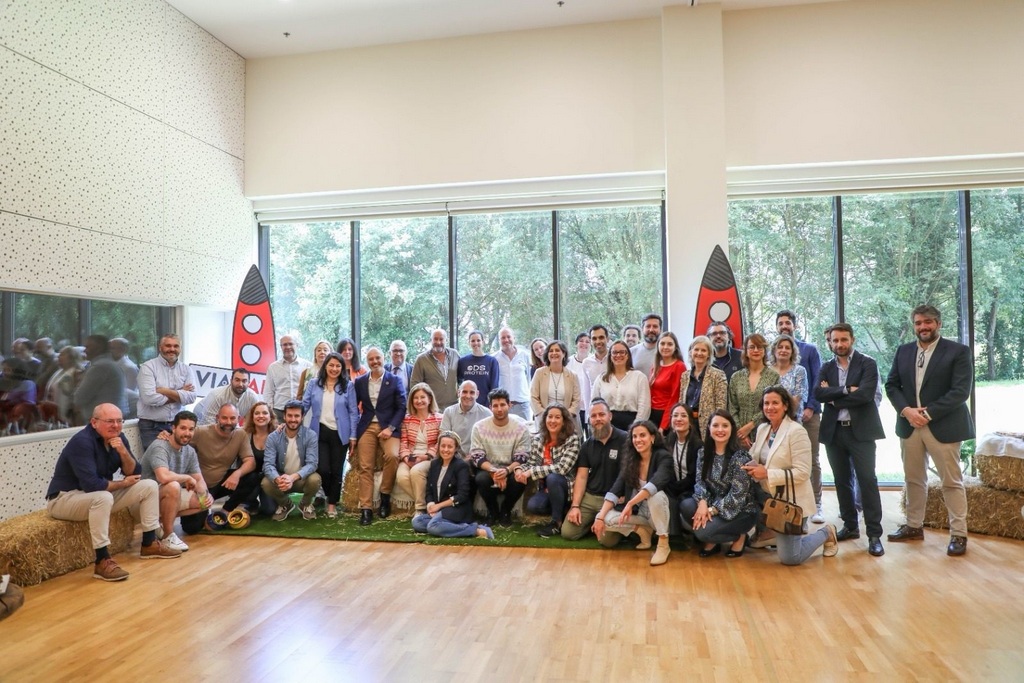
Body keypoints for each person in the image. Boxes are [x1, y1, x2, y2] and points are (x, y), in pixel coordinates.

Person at [45, 403, 179, 582]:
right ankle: (102, 560)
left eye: (119, 421)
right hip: (64, 499)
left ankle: (149, 543)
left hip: (94, 496)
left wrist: (123, 452)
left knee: (149, 485)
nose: (116, 426)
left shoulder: (119, 438)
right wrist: (123, 483)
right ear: (94, 422)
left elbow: (135, 472)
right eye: (110, 421)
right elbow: (92, 485)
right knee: (103, 497)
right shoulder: (82, 442)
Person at [884, 304, 973, 556]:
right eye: (918, 323)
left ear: (938, 324)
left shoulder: (958, 351)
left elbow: (960, 391)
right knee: (913, 479)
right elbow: (891, 385)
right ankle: (914, 526)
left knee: (951, 482)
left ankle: (959, 534)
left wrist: (927, 413)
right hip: (909, 425)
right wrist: (907, 411)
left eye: (928, 322)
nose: (923, 327)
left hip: (943, 426)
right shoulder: (903, 351)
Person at [742, 386, 838, 565]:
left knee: (791, 558)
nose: (770, 407)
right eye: (766, 403)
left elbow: (803, 472)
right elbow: (756, 456)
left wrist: (767, 473)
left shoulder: (796, 431)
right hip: (767, 496)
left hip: (790, 502)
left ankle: (827, 532)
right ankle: (767, 533)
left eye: (775, 403)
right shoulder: (763, 428)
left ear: (786, 406)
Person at [815, 323, 885, 557]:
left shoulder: (867, 363)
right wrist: (846, 390)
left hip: (861, 431)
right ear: (830, 342)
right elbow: (818, 393)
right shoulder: (826, 367)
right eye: (835, 340)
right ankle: (851, 526)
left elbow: (866, 395)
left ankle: (874, 535)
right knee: (841, 480)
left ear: (852, 340)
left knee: (867, 480)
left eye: (843, 339)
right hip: (834, 432)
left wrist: (834, 397)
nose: (839, 344)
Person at [592, 420, 673, 566]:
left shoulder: (663, 457)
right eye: (634, 436)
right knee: (606, 519)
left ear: (652, 437)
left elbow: (654, 484)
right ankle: (643, 531)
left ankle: (663, 544)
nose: (638, 440)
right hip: (640, 513)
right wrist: (600, 516)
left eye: (642, 435)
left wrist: (630, 503)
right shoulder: (631, 459)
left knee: (655, 496)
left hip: (660, 513)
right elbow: (615, 490)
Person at [681, 410, 759, 557]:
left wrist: (710, 511)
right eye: (715, 425)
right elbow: (700, 481)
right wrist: (702, 503)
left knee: (702, 533)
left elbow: (737, 496)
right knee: (686, 506)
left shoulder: (740, 456)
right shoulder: (703, 452)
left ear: (732, 429)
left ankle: (740, 536)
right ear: (709, 428)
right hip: (713, 501)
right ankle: (715, 538)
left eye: (725, 425)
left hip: (741, 510)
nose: (720, 430)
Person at [776, 310, 825, 525]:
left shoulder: (809, 350)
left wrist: (811, 407)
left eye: (788, 323)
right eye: (780, 323)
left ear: (794, 326)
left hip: (807, 415)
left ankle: (817, 504)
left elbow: (817, 380)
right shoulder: (773, 354)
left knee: (811, 460)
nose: (784, 326)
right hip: (779, 421)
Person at [141, 410, 209, 552]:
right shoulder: (160, 446)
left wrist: (206, 495)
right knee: (173, 486)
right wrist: (186, 477)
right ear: (173, 428)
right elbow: (163, 477)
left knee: (203, 501)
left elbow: (199, 479)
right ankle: (168, 535)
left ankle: (158, 524)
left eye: (191, 429)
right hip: (145, 499)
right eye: (183, 428)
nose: (187, 433)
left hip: (166, 497)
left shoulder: (189, 451)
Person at [301, 352, 358, 519]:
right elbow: (304, 405)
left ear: (342, 368)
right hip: (319, 432)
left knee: (336, 470)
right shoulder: (314, 384)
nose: (334, 369)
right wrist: (291, 420)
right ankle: (329, 494)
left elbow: (353, 412)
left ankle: (332, 504)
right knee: (323, 469)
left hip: (340, 433)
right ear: (325, 366)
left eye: (338, 366)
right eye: (331, 365)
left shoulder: (348, 386)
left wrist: (353, 436)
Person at [353, 346, 406, 525]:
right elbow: (354, 407)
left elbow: (402, 407)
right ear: (367, 361)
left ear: (384, 358)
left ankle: (385, 496)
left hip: (388, 427)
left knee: (392, 456)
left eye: (378, 358)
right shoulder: (360, 381)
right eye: (371, 359)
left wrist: (390, 428)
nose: (375, 362)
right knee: (365, 466)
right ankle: (366, 508)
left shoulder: (395, 380)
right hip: (367, 426)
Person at [562, 399, 627, 540]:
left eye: (601, 414)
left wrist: (626, 495)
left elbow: (628, 474)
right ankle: (593, 522)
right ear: (589, 419)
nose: (598, 419)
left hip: (614, 500)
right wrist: (575, 506)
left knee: (607, 540)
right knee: (568, 533)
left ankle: (601, 523)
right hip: (590, 497)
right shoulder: (586, 446)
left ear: (610, 416)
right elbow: (581, 477)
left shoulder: (625, 439)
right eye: (593, 416)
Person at [410, 431, 494, 540]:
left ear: (455, 449)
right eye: (443, 446)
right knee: (417, 522)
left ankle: (477, 530)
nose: (445, 450)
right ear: (438, 447)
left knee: (432, 527)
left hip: (457, 508)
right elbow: (429, 490)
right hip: (439, 509)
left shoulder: (461, 466)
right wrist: (431, 505)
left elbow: (462, 495)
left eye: (450, 447)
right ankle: (451, 526)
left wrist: (439, 506)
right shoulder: (434, 464)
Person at [189, 404, 261, 526]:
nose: (228, 422)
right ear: (217, 418)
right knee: (192, 527)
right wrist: (165, 435)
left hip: (221, 482)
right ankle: (204, 509)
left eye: (232, 418)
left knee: (253, 477)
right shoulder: (201, 432)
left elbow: (250, 461)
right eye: (224, 418)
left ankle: (225, 511)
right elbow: (180, 438)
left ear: (238, 419)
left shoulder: (240, 434)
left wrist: (237, 474)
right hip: (200, 486)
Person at [469, 388, 532, 526]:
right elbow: (477, 456)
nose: (499, 409)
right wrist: (494, 471)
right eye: (495, 405)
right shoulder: (479, 427)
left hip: (511, 468)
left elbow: (522, 457)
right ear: (490, 407)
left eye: (503, 405)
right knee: (481, 479)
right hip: (488, 468)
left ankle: (506, 511)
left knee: (520, 479)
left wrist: (507, 471)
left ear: (509, 405)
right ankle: (492, 512)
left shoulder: (521, 428)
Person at [516, 405, 581, 537]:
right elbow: (531, 463)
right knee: (534, 506)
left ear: (564, 421)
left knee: (553, 477)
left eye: (557, 417)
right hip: (546, 489)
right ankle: (562, 511)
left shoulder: (572, 439)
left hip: (567, 487)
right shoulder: (538, 439)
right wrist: (519, 470)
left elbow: (562, 468)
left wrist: (531, 472)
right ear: (545, 419)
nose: (553, 421)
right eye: (550, 417)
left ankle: (556, 523)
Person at [262, 400, 322, 521]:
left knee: (315, 479)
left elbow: (312, 464)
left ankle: (305, 504)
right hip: (282, 480)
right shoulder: (273, 437)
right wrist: (278, 479)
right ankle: (285, 504)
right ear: (284, 416)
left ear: (302, 417)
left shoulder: (310, 435)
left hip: (301, 479)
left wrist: (292, 478)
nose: (293, 419)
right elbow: (268, 464)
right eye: (289, 415)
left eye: (296, 416)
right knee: (266, 483)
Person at [137, 334, 197, 450]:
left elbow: (191, 397)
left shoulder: (186, 369)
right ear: (160, 348)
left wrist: (164, 391)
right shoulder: (148, 367)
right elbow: (149, 398)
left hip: (177, 424)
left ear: (180, 348)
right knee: (156, 458)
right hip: (151, 426)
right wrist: (180, 393)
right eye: (168, 346)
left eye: (176, 346)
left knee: (177, 458)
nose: (172, 349)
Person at [396, 382, 444, 516]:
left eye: (422, 397)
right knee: (401, 477)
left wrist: (426, 456)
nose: (419, 401)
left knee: (416, 472)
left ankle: (420, 509)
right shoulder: (407, 419)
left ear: (430, 399)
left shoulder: (439, 418)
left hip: (430, 457)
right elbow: (403, 442)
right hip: (410, 456)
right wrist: (406, 458)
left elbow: (440, 442)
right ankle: (430, 504)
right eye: (415, 398)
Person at [727, 334, 779, 449]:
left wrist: (751, 425)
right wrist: (741, 433)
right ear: (745, 351)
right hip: (740, 437)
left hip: (766, 432)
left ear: (764, 351)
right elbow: (732, 407)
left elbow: (775, 405)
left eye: (760, 347)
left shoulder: (774, 376)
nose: (756, 350)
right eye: (752, 347)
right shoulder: (736, 377)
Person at [592, 340, 651, 430]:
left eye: (622, 352)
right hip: (606, 425)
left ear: (628, 355)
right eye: (614, 352)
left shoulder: (639, 377)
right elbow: (594, 403)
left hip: (632, 424)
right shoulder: (601, 378)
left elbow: (644, 407)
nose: (618, 355)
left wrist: (636, 428)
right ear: (610, 356)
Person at [678, 335, 728, 438]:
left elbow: (721, 405)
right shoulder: (685, 376)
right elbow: (681, 402)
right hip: (687, 424)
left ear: (709, 354)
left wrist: (716, 425)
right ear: (691, 352)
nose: (699, 353)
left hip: (708, 426)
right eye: (696, 349)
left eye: (703, 350)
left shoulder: (718, 375)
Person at [662, 402, 701, 531]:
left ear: (690, 421)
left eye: (683, 416)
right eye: (675, 415)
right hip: (673, 488)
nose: (678, 419)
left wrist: (675, 488)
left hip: (691, 490)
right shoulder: (669, 440)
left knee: (686, 505)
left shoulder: (697, 445)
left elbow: (694, 477)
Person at [529, 339, 581, 432]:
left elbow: (576, 400)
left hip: (567, 422)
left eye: (557, 350)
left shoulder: (573, 375)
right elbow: (533, 397)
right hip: (544, 421)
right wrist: (546, 417)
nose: (554, 353)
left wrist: (564, 418)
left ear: (564, 353)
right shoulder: (539, 373)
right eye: (551, 351)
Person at [74, 335, 127, 425]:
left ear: (99, 348)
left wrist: (77, 383)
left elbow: (79, 398)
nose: (84, 350)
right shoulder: (108, 364)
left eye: (88, 347)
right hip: (109, 419)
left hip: (104, 422)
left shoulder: (100, 367)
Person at [263, 335, 312, 421]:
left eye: (291, 344)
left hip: (301, 411)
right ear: (281, 347)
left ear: (297, 345)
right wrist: (270, 413)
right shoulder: (273, 367)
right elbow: (268, 392)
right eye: (285, 345)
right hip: (279, 412)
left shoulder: (308, 366)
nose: (288, 347)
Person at [243, 401, 279, 516]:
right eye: (257, 413)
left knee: (269, 510)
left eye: (264, 413)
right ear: (252, 417)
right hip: (250, 477)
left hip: (269, 478)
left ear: (270, 416)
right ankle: (250, 502)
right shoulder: (244, 434)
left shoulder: (278, 434)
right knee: (250, 486)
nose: (261, 416)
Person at [410, 329, 460, 411]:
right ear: (431, 340)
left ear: (446, 340)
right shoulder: (421, 359)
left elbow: (461, 377)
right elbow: (415, 384)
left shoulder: (455, 354)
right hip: (432, 409)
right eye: (435, 339)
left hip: (454, 407)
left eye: (441, 339)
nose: (438, 342)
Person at [193, 368, 260, 426]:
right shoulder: (217, 395)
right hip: (201, 418)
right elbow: (208, 424)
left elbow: (252, 423)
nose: (240, 384)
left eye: (244, 381)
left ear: (249, 383)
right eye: (237, 380)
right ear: (231, 381)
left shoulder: (253, 398)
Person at [439, 380, 492, 453]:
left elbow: (490, 442)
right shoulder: (449, 412)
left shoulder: (487, 413)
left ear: (477, 394)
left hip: (478, 455)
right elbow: (444, 438)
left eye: (472, 392)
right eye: (464, 392)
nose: (468, 396)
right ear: (458, 393)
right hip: (453, 455)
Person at [648, 331, 686, 432]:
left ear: (675, 347)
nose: (665, 347)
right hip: (652, 413)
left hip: (667, 415)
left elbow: (675, 397)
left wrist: (663, 426)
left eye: (669, 344)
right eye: (662, 343)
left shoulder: (679, 366)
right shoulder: (655, 366)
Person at [494, 327, 532, 422]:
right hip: (503, 405)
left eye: (508, 337)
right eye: (503, 338)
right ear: (499, 340)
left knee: (526, 430)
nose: (506, 340)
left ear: (514, 338)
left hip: (522, 404)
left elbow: (528, 378)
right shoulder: (494, 358)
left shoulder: (524, 355)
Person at [769, 334, 808, 423]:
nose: (783, 350)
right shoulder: (767, 371)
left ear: (792, 352)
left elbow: (796, 402)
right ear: (774, 350)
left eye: (787, 348)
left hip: (792, 420)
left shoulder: (799, 371)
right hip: (769, 421)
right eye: (780, 347)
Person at [44, 345, 86, 426]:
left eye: (62, 355)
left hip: (68, 413)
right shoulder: (58, 372)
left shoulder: (77, 373)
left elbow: (78, 394)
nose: (58, 357)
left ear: (71, 358)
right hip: (53, 410)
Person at [457, 330, 499, 405]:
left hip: (486, 404)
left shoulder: (492, 361)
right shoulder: (463, 361)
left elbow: (494, 387)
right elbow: (458, 382)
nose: (476, 343)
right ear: (469, 343)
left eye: (478, 340)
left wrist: (489, 403)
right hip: (467, 403)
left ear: (483, 342)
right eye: (473, 341)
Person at [566, 332, 592, 435]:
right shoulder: (568, 362)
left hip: (590, 407)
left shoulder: (593, 362)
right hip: (573, 408)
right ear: (576, 344)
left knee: (591, 436)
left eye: (587, 342)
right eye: (581, 341)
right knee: (576, 437)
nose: (584, 344)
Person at [108, 337, 139, 419]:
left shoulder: (129, 368)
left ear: (123, 350)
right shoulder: (111, 365)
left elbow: (129, 392)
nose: (109, 351)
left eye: (112, 348)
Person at [630, 313, 662, 378]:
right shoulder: (631, 352)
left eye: (655, 326)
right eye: (648, 326)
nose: (651, 330)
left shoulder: (666, 352)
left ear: (660, 329)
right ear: (642, 329)